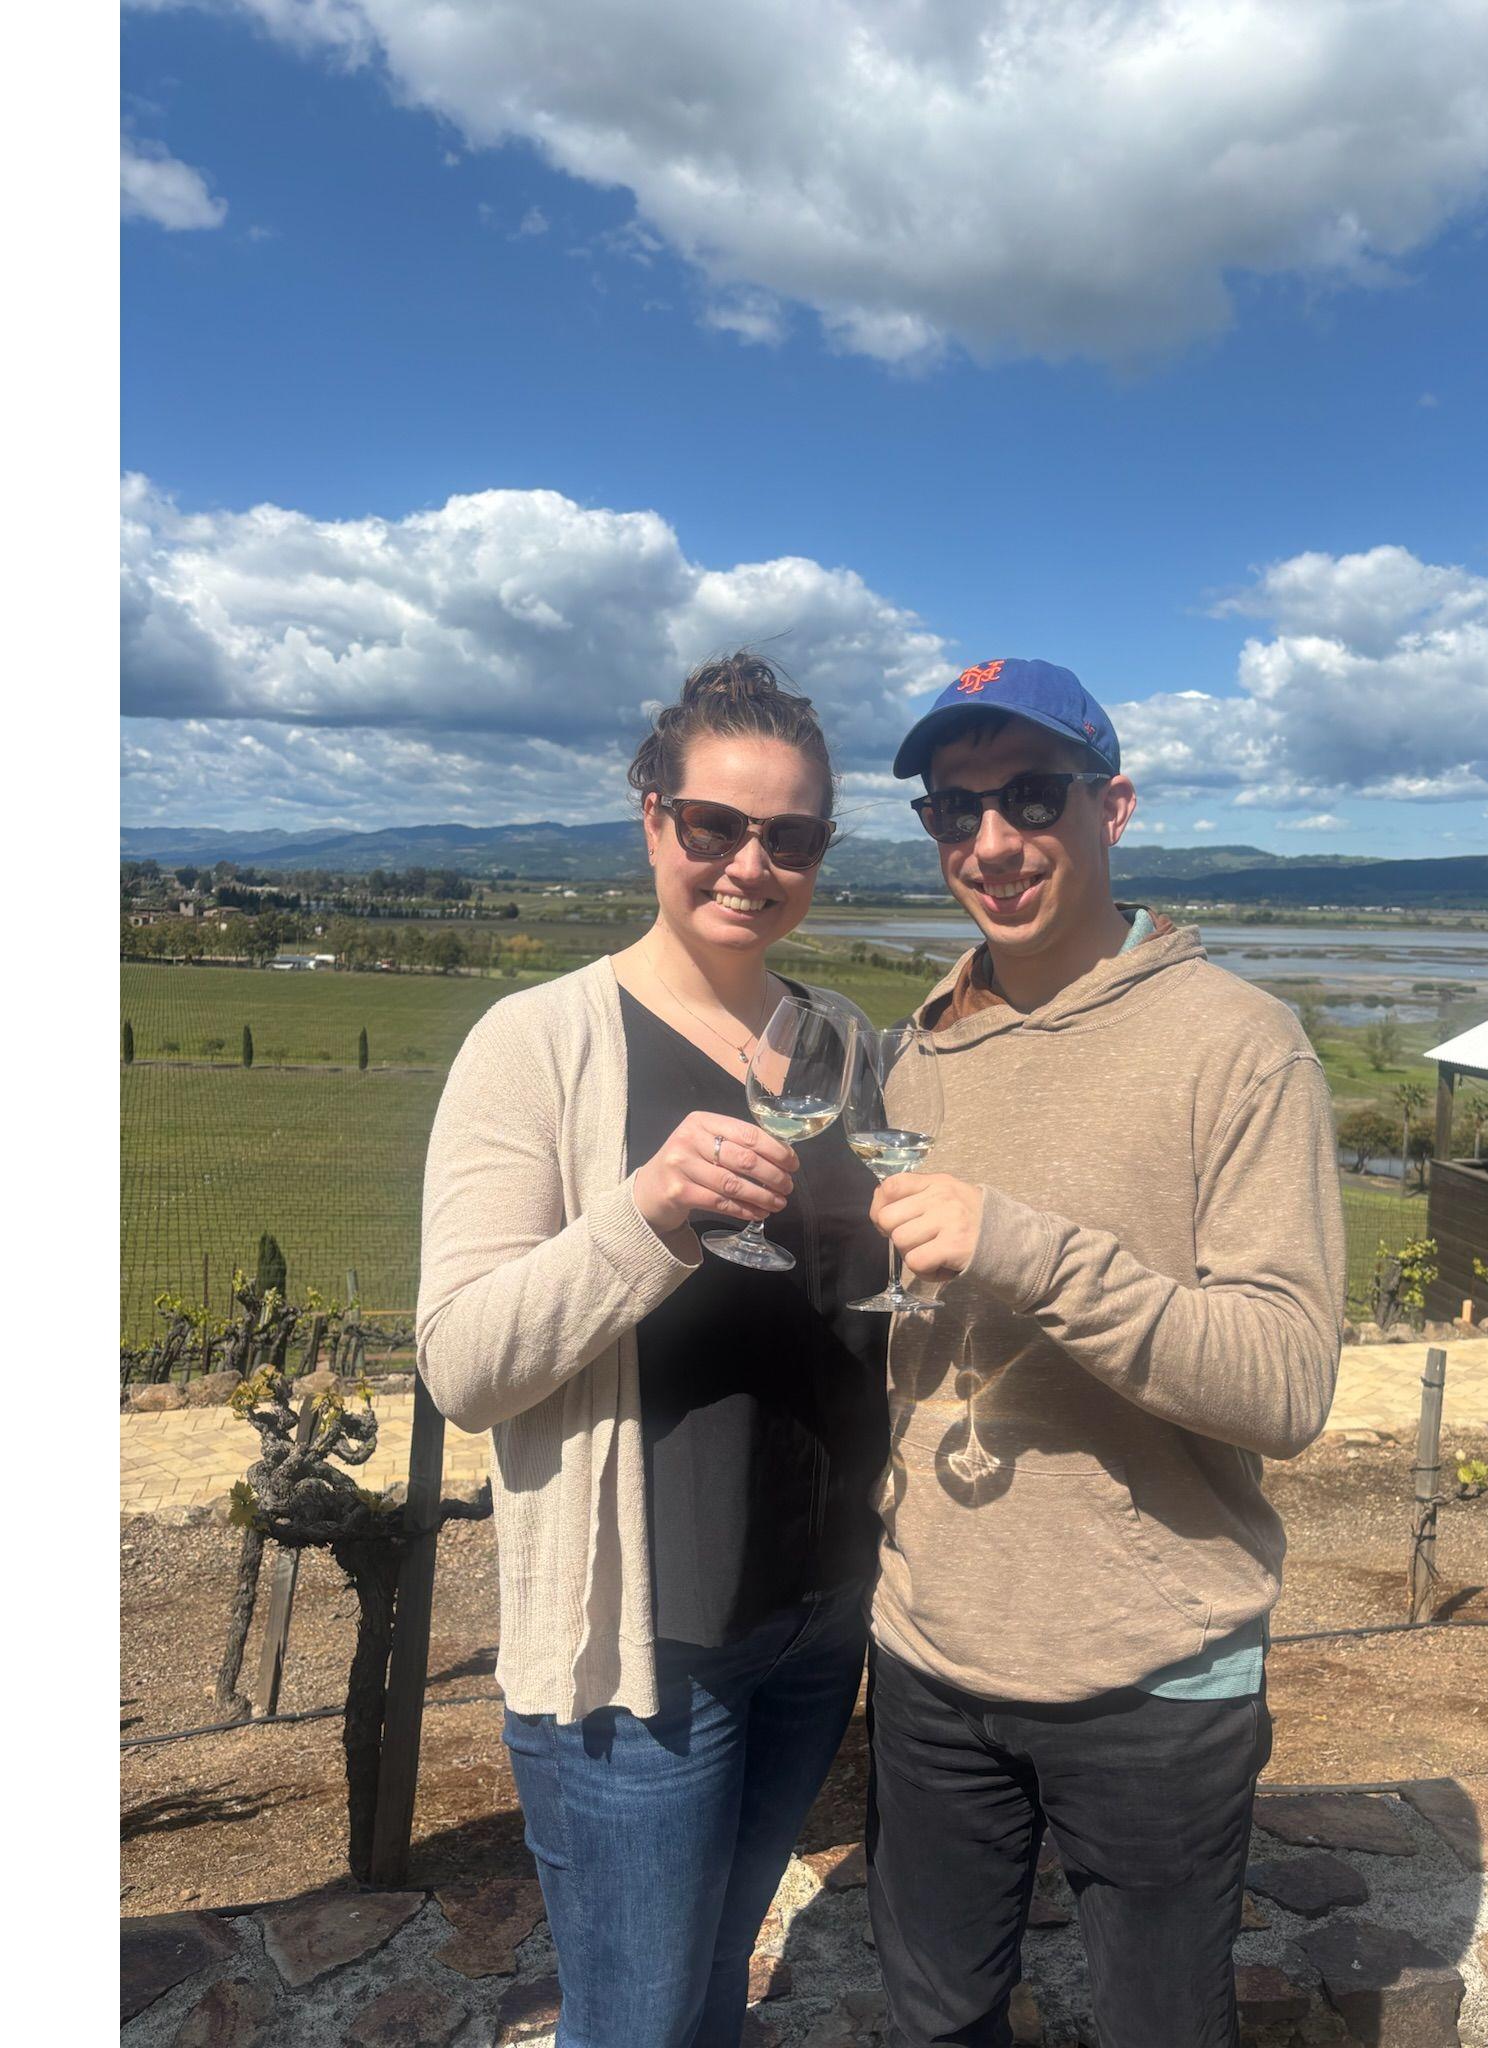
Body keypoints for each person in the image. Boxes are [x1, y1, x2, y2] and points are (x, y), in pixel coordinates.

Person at [862, 658, 1347, 2048]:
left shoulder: (1240, 1048)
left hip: (1153, 1670)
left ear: (1112, 806)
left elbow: (1284, 1383)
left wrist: (1022, 1246)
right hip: (930, 1653)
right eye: (953, 810)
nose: (992, 842)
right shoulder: (920, 1052)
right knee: (935, 2020)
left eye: (1032, 796)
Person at [415, 653, 887, 2048]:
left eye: (790, 836)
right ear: (651, 817)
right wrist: (647, 1214)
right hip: (643, 1660)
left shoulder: (843, 1048)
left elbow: (853, 1321)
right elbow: (464, 1362)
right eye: (715, 826)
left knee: (710, 1999)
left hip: (813, 1627)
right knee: (632, 2027)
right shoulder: (536, 1043)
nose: (752, 863)